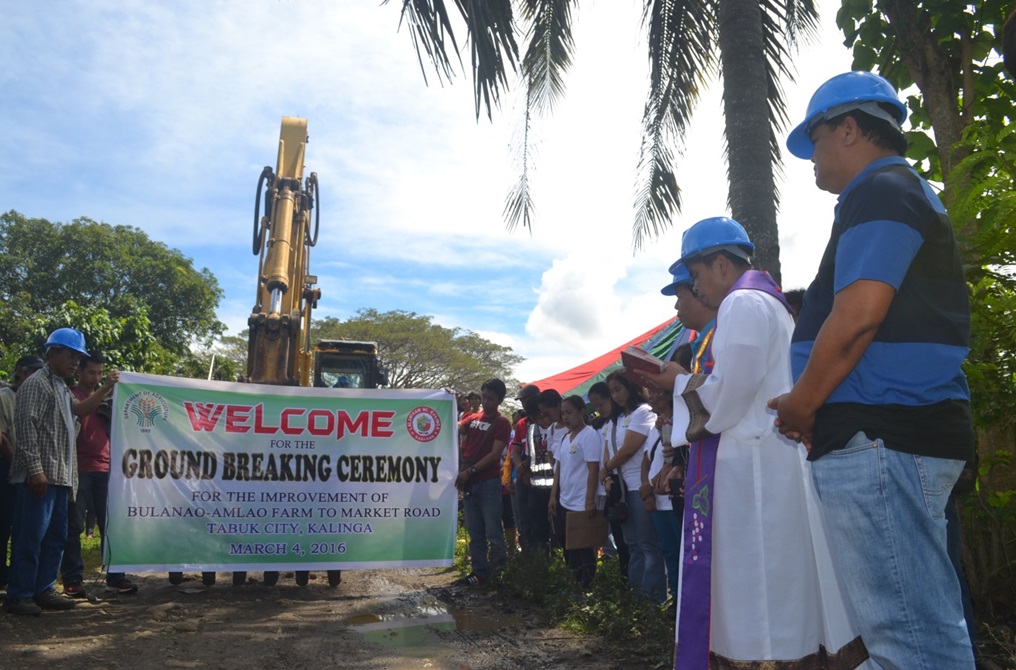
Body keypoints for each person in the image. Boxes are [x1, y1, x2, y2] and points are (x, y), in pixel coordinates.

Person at [772, 71, 977, 668]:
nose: (811, 161)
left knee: (911, 642)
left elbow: (858, 316)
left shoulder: (881, 190)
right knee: (914, 633)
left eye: (816, 142)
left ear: (851, 129)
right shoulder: (894, 192)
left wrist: (801, 405)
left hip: (881, 435)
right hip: (888, 431)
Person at [644, 217, 865, 669]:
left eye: (697, 275)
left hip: (756, 472)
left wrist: (679, 380)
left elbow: (728, 396)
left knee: (759, 591)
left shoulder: (741, 304)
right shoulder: (769, 302)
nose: (697, 287)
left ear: (721, 264)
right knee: (781, 585)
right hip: (767, 461)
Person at [5, 328, 118, 615]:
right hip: (40, 476)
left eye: (78, 358)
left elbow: (79, 411)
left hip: (61, 476)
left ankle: (43, 589)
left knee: (56, 537)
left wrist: (105, 387)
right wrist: (35, 470)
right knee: (30, 537)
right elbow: (26, 427)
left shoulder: (60, 387)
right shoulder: (36, 384)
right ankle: (19, 594)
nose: (75, 363)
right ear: (53, 353)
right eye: (71, 356)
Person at [61, 351, 138, 597]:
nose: (95, 377)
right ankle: (73, 579)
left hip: (106, 468)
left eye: (100, 373)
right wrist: (106, 386)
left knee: (111, 525)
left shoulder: (107, 394)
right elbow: (84, 410)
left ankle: (115, 576)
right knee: (74, 526)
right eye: (91, 372)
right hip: (79, 468)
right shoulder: (71, 394)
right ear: (80, 371)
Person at [601, 371, 666, 605]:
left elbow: (629, 449)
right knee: (632, 545)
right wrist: (607, 474)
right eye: (612, 391)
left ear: (631, 387)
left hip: (641, 486)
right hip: (622, 489)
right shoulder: (615, 420)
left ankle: (652, 601)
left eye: (618, 389)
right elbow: (609, 448)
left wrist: (606, 468)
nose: (615, 395)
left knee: (648, 545)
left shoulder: (644, 412)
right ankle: (635, 598)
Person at [455, 379, 512, 586]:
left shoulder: (503, 423)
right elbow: (456, 427)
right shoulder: (473, 418)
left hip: (488, 483)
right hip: (470, 484)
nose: (487, 402)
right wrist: (447, 402)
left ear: (500, 400)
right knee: (475, 532)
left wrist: (470, 471)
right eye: (484, 397)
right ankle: (479, 574)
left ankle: (498, 574)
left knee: (493, 532)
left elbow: (495, 454)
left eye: (491, 399)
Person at [0, 355, 46, 593]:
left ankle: (15, 576)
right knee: (3, 524)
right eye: (31, 372)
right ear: (19, 371)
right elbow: (1, 437)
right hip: (8, 467)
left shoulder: (37, 396)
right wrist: (18, 463)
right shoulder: (4, 397)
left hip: (26, 471)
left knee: (23, 528)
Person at [548, 395, 601, 589]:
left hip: (580, 502)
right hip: (564, 500)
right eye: (563, 413)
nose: (566, 417)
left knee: (584, 547)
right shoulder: (564, 437)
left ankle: (587, 587)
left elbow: (593, 469)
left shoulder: (589, 435)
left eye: (569, 412)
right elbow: (559, 469)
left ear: (581, 412)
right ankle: (574, 585)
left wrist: (589, 500)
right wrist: (553, 496)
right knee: (567, 546)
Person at [587, 382, 628, 576]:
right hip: (605, 484)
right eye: (594, 406)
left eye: (601, 404)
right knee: (609, 532)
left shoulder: (622, 420)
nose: (598, 409)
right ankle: (614, 571)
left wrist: (607, 472)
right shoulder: (599, 424)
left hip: (620, 484)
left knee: (625, 537)